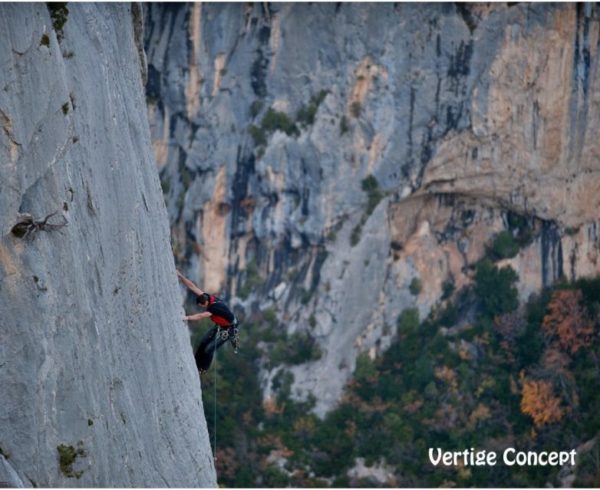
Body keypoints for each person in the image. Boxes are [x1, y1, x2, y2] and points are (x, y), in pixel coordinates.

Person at [176, 269, 239, 372]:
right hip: (221, 326)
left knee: (209, 349)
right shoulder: (208, 297)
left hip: (230, 330)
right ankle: (196, 363)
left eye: (201, 305)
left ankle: (203, 369)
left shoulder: (212, 309)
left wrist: (186, 317)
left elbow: (200, 316)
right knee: (204, 342)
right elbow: (192, 287)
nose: (201, 307)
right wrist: (181, 276)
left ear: (204, 303)